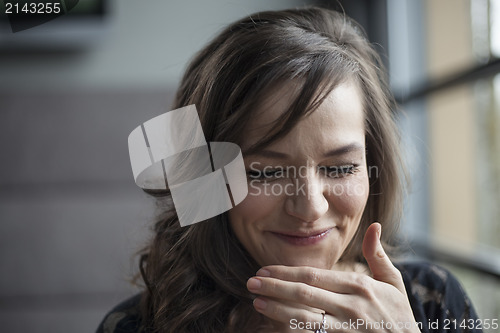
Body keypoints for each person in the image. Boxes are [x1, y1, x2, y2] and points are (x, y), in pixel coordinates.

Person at [97, 7, 482, 333]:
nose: (310, 207)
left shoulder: (432, 304)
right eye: (264, 172)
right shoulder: (137, 324)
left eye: (341, 168)